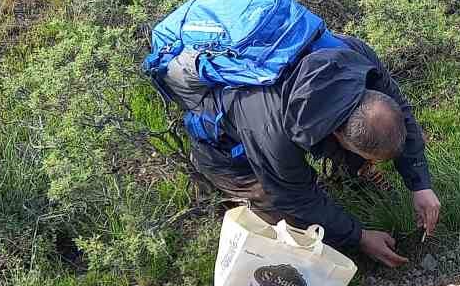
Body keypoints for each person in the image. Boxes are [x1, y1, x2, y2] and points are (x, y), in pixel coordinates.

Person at [166, 28, 440, 269]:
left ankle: (354, 174)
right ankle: (230, 195)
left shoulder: (357, 59)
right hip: (224, 140)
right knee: (284, 222)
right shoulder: (272, 132)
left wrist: (420, 185)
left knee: (372, 140)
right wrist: (359, 237)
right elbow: (296, 197)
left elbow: (400, 113)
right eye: (367, 158)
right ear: (337, 134)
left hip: (284, 111)